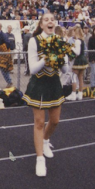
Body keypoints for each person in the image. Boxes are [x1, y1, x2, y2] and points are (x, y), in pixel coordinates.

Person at [23, 12, 68, 177]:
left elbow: (65, 70)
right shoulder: (34, 41)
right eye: (46, 20)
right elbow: (33, 68)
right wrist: (47, 57)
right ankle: (39, 159)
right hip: (39, 84)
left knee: (55, 121)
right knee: (39, 123)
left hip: (54, 84)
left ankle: (46, 141)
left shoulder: (60, 41)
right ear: (41, 25)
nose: (50, 21)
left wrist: (62, 58)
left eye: (52, 20)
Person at [69, 26, 88, 100]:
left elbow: (77, 52)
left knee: (74, 76)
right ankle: (80, 93)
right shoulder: (82, 40)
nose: (73, 33)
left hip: (78, 60)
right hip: (83, 60)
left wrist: (71, 48)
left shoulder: (77, 41)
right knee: (80, 77)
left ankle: (73, 94)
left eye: (74, 32)